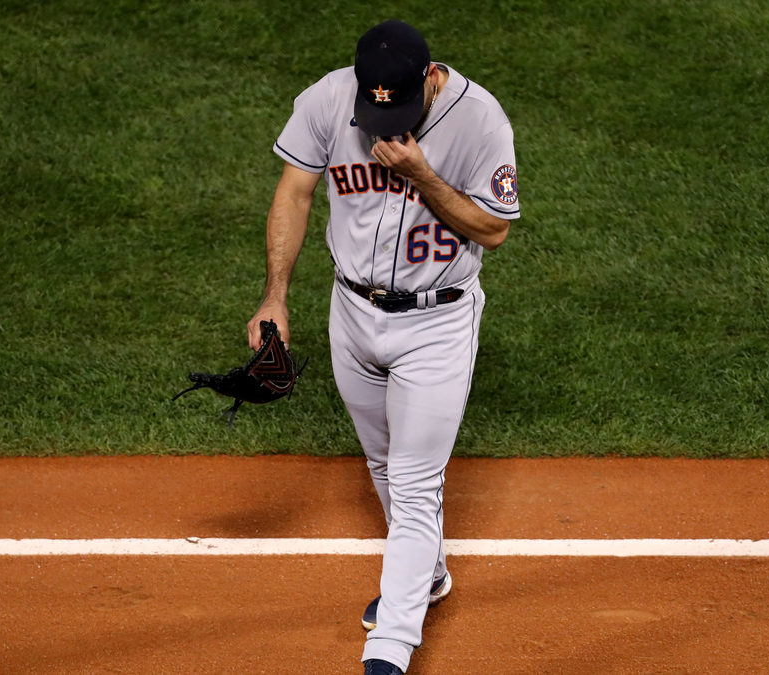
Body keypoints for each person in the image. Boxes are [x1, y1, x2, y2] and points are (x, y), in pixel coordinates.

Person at [247, 19, 520, 675]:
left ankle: (389, 649)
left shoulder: (481, 120)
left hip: (438, 323)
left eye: (398, 108)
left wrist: (424, 176)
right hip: (352, 313)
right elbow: (295, 190)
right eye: (376, 110)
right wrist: (275, 295)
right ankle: (426, 577)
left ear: (429, 78)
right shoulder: (328, 100)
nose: (383, 123)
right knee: (383, 462)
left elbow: (494, 229)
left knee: (416, 482)